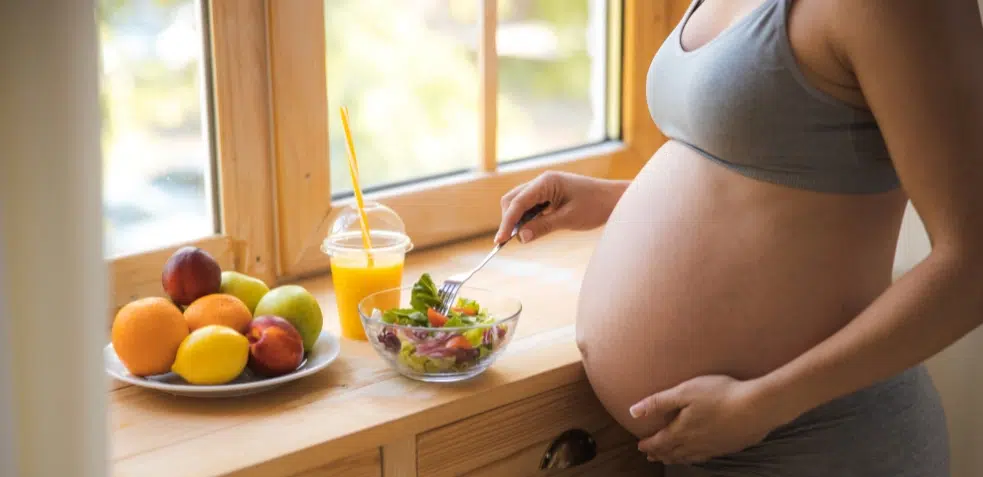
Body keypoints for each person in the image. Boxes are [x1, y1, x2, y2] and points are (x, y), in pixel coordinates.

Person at [494, 0, 983, 475]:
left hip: (821, 441)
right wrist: (620, 199)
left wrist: (768, 402)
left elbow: (972, 264)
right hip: (710, 444)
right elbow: (772, 174)